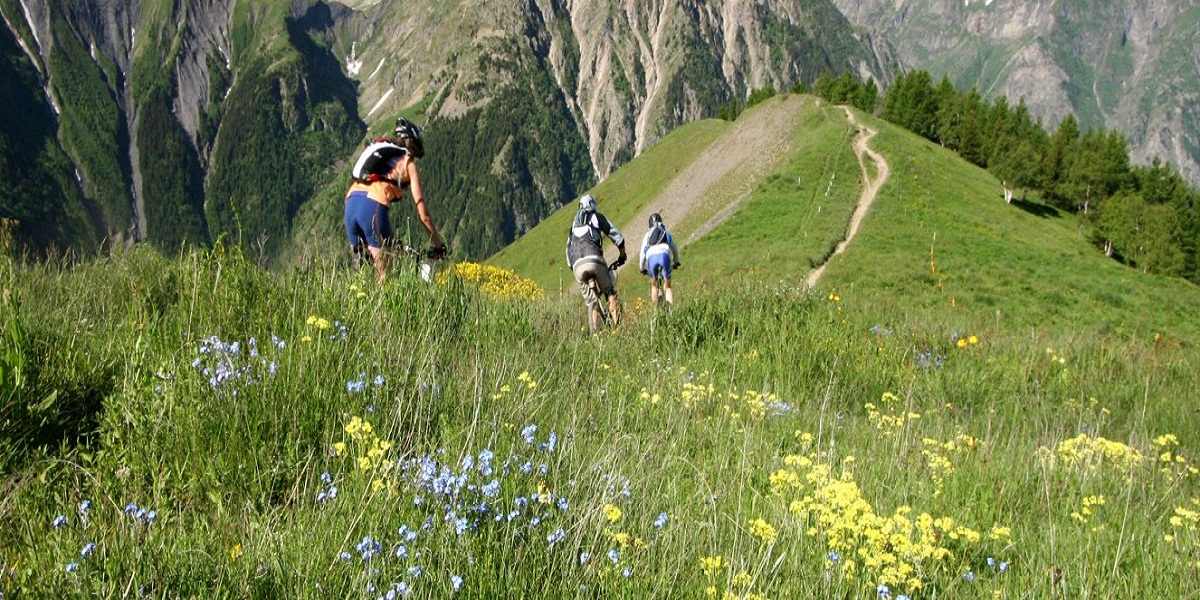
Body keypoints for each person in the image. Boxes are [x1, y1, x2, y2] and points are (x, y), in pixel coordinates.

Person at [345, 117, 445, 281]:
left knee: (360, 275)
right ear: (412, 145)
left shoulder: (382, 156)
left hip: (351, 201)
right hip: (373, 205)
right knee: (385, 278)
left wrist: (395, 242)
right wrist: (438, 246)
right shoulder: (408, 163)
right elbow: (423, 215)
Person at [565, 193, 626, 330]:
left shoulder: (573, 225)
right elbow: (617, 237)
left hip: (576, 265)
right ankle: (618, 329)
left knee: (591, 302)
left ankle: (596, 335)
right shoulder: (596, 217)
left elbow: (568, 254)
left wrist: (575, 267)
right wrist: (622, 255)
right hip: (594, 259)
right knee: (610, 292)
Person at [638, 213, 681, 307]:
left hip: (651, 259)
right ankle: (671, 311)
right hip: (664, 256)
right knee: (668, 287)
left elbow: (642, 254)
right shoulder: (665, 232)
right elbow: (674, 249)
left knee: (654, 286)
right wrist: (676, 261)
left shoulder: (647, 235)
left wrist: (641, 268)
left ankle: (656, 312)